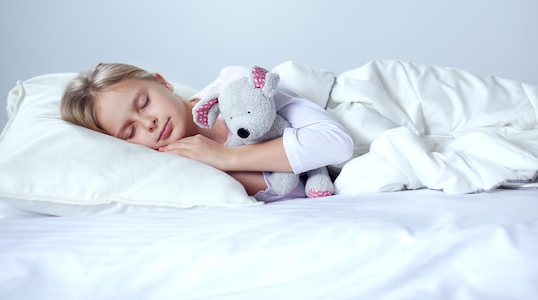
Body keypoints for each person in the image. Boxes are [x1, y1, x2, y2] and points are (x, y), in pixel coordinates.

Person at [60, 62, 354, 202]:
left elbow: (336, 144)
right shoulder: (170, 165)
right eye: (129, 131)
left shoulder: (237, 90)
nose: (148, 123)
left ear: (163, 82)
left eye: (144, 102)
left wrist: (225, 158)